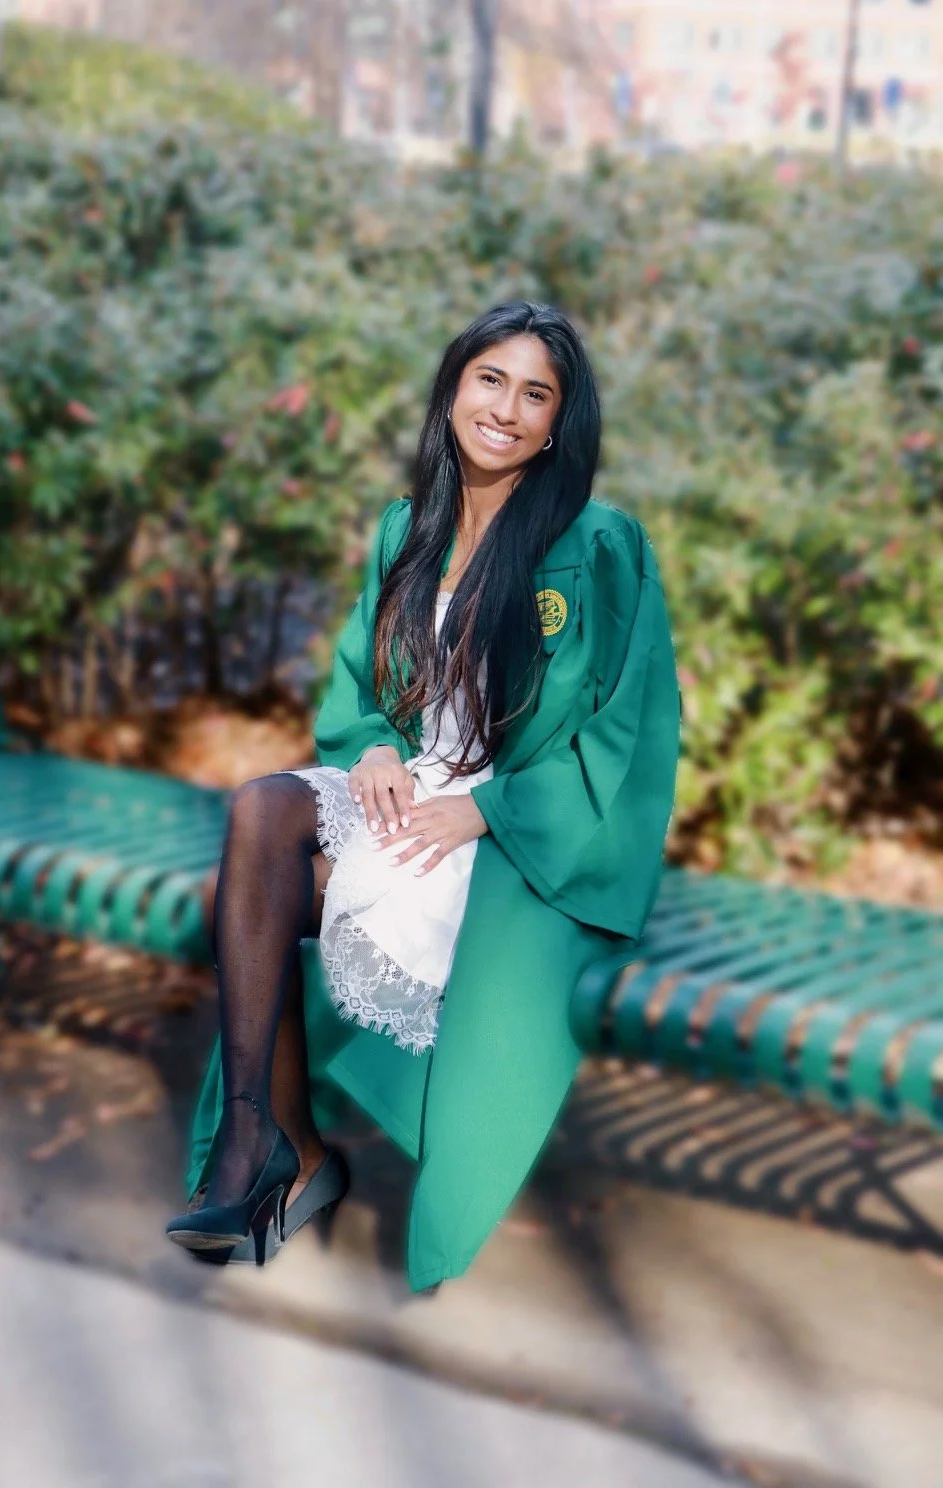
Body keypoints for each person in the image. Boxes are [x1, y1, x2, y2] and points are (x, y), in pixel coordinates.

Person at [166, 300, 682, 1287]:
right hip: (414, 789)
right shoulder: (407, 528)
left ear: (558, 422)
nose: (505, 409)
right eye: (490, 379)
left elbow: (626, 728)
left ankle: (286, 1153)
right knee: (260, 811)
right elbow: (360, 687)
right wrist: (370, 747)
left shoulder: (599, 545)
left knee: (251, 898)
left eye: (535, 394)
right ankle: (256, 1136)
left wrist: (487, 811)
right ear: (452, 389)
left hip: (522, 823)